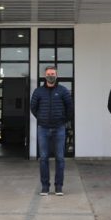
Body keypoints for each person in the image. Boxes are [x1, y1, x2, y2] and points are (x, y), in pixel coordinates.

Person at [31, 66, 74, 196]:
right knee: (43, 158)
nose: (51, 75)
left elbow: (70, 107)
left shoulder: (63, 90)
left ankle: (59, 187)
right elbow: (33, 107)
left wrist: (63, 120)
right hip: (43, 129)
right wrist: (42, 118)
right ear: (45, 76)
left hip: (59, 128)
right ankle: (45, 187)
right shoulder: (38, 91)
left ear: (56, 75)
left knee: (60, 158)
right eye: (49, 74)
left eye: (53, 73)